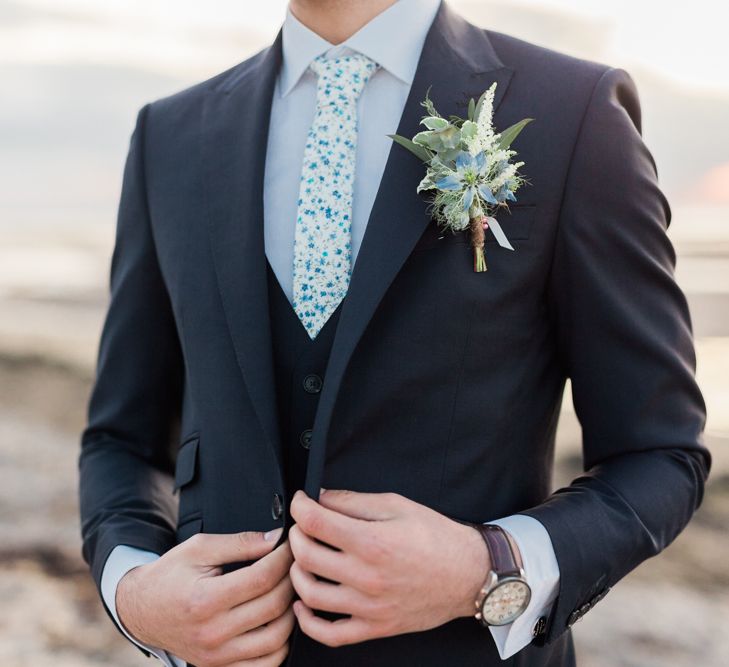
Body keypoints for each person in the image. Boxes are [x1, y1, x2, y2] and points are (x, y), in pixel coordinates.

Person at [78, 1, 710, 666]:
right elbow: (122, 439)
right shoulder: (170, 134)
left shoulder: (570, 110)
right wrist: (135, 594)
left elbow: (660, 452)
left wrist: (486, 566)